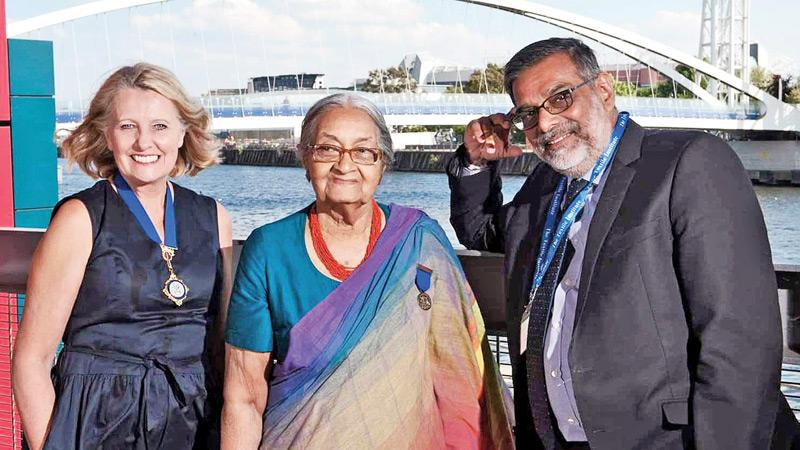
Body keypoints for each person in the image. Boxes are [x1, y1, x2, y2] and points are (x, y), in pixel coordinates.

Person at [446, 37, 799, 450]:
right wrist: (475, 160)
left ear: (604, 90)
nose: (543, 124)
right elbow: (483, 232)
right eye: (527, 113)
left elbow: (738, 341)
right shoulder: (548, 185)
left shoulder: (688, 162)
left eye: (560, 98)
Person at [222, 93, 514, 450]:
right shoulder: (268, 249)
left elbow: (459, 374)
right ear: (305, 158)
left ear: (383, 164)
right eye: (328, 149)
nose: (345, 165)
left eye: (364, 151)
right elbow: (244, 396)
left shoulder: (419, 241)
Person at [12, 62, 233, 450]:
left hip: (193, 421)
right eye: (128, 126)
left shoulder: (213, 216)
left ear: (184, 132)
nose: (144, 143)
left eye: (160, 126)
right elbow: (32, 360)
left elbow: (221, 348)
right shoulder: (80, 218)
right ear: (106, 135)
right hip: (96, 423)